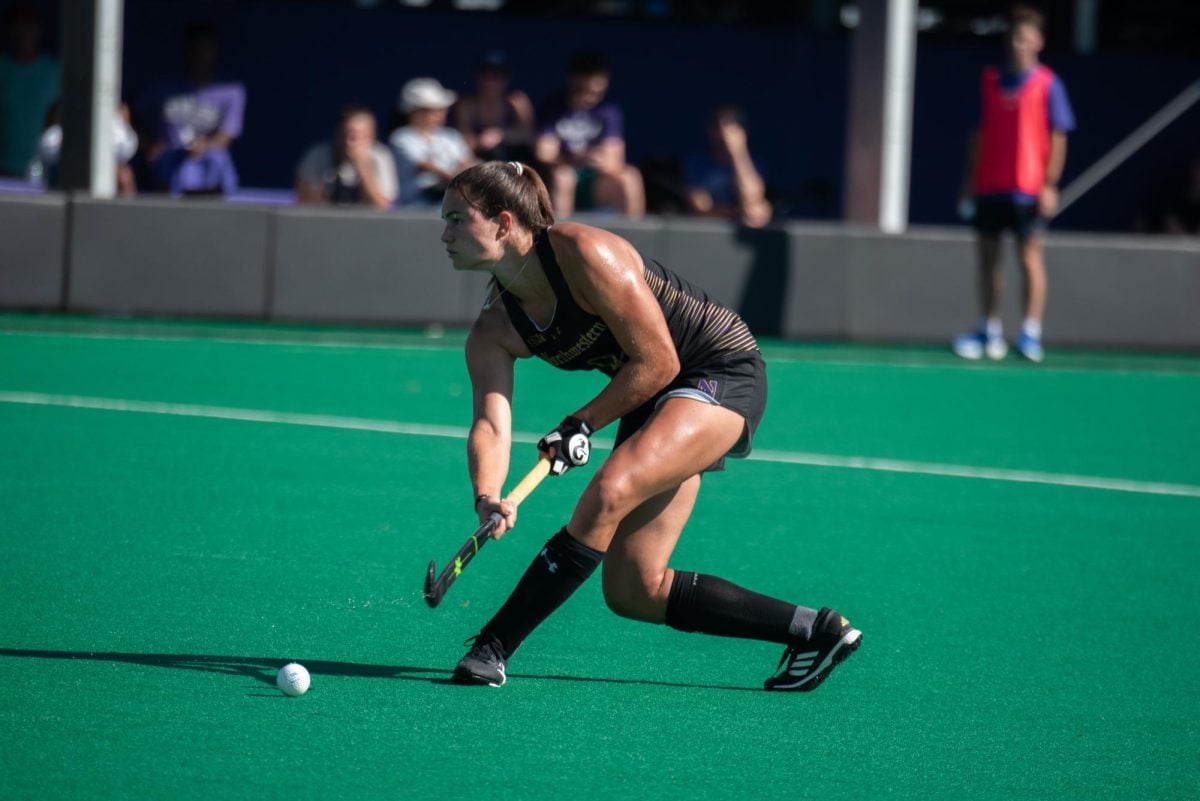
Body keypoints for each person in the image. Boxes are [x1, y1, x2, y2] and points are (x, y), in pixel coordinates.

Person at [439, 160, 861, 691]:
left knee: (610, 489)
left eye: (457, 220)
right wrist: (487, 496)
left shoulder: (582, 250)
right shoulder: (494, 327)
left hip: (715, 369)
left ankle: (493, 646)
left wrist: (582, 423)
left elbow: (659, 361)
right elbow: (490, 423)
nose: (445, 235)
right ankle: (816, 630)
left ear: (503, 223)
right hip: (648, 392)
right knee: (635, 590)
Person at [953, 4, 1075, 364]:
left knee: (1029, 257)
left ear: (1038, 41)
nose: (1017, 43)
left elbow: (1059, 137)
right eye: (1013, 37)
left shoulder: (1049, 84)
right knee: (988, 258)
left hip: (1028, 188)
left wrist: (1050, 184)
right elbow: (978, 136)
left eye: (1024, 37)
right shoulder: (990, 81)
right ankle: (988, 330)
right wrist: (969, 184)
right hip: (991, 186)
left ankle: (1030, 333)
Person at [137, 21, 245, 196]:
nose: (200, 56)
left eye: (206, 49)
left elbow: (225, 137)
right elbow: (130, 116)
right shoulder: (162, 88)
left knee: (216, 159)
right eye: (195, 49)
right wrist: (149, 146)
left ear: (215, 52)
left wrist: (204, 145)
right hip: (170, 164)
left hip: (209, 168)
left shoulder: (232, 90)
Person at [534, 51, 644, 219]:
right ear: (571, 82)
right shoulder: (553, 107)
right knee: (563, 176)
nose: (588, 97)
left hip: (595, 180)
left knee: (630, 178)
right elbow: (544, 152)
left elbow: (615, 158)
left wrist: (598, 160)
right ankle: (559, 238)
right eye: (581, 90)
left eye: (595, 92)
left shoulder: (609, 111)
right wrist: (572, 159)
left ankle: (635, 241)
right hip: (561, 176)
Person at [390, 77, 476, 207]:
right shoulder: (401, 137)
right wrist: (455, 179)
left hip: (450, 203)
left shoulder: (451, 136)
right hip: (413, 206)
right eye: (434, 109)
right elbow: (424, 165)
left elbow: (467, 161)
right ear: (415, 111)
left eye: (442, 109)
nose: (441, 113)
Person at [684, 104, 773, 228]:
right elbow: (700, 208)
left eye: (730, 127)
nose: (723, 135)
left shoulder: (754, 163)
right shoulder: (697, 163)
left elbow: (751, 198)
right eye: (717, 128)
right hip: (706, 234)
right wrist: (738, 213)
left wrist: (738, 152)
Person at [295, 105, 397, 210]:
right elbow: (305, 203)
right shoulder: (318, 155)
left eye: (356, 136)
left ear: (372, 136)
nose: (349, 142)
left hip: (365, 224)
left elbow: (382, 207)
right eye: (345, 134)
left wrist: (363, 167)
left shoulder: (381, 157)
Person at [29, 100, 138, 195]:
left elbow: (127, 148)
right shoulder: (61, 118)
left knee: (124, 175)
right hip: (66, 178)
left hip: (106, 181)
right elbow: (47, 147)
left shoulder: (116, 121)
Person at [0, 1, 58, 178]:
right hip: (5, 170)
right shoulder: (3, 67)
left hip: (46, 173)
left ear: (39, 28)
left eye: (30, 23)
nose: (25, 30)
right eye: (19, 23)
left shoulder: (54, 71)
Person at [452, 51, 536, 163]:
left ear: (507, 79)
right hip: (479, 161)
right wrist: (480, 141)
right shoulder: (466, 104)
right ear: (478, 77)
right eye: (486, 76)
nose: (491, 82)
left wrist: (501, 135)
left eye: (498, 76)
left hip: (514, 160)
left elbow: (530, 136)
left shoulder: (517, 100)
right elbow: (461, 141)